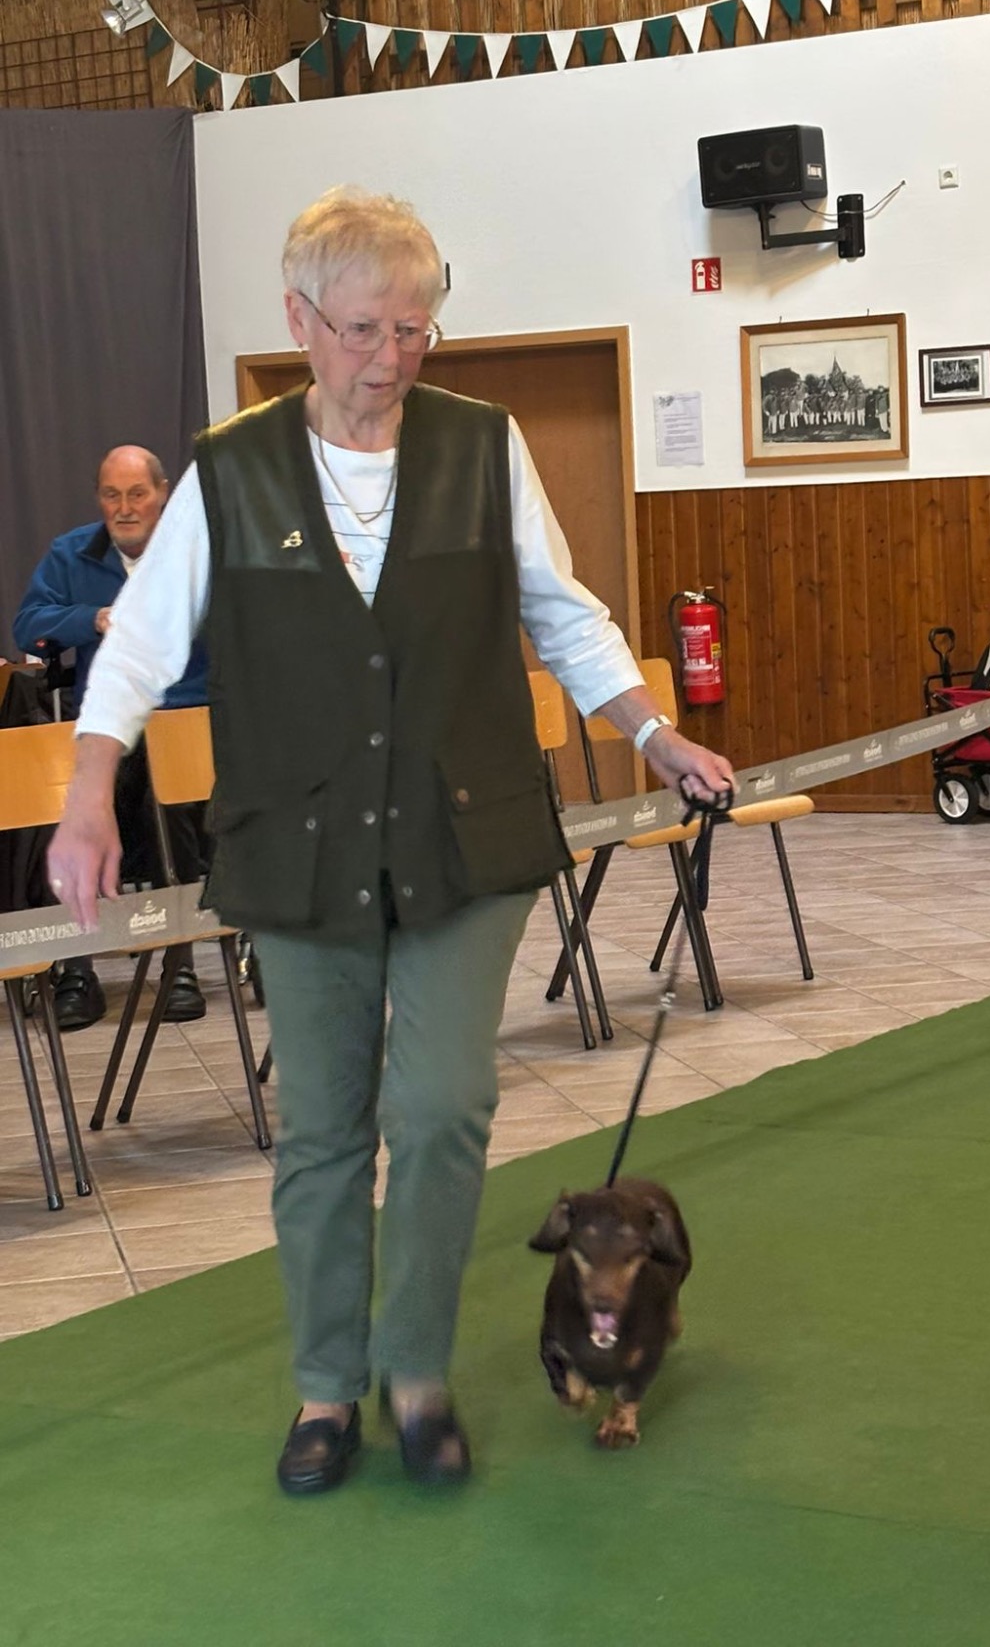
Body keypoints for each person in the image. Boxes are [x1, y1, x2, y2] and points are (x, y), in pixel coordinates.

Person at [47, 187, 735, 1499]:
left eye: (415, 328)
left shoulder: (484, 445)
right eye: (363, 329)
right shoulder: (231, 469)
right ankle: (326, 1387)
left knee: (441, 1108)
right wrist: (88, 794)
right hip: (299, 846)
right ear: (301, 318)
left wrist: (655, 734)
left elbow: (563, 610)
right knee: (321, 1129)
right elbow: (138, 645)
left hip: (463, 834)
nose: (390, 357)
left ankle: (415, 1373)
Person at [14, 446, 209, 1028]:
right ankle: (78, 968)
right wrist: (92, 618)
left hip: (184, 716)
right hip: (106, 724)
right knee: (68, 805)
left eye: (137, 494)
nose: (124, 508)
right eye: (111, 495)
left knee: (167, 803)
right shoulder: (71, 552)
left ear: (162, 494)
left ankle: (179, 963)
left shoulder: (198, 550)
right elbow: (28, 625)